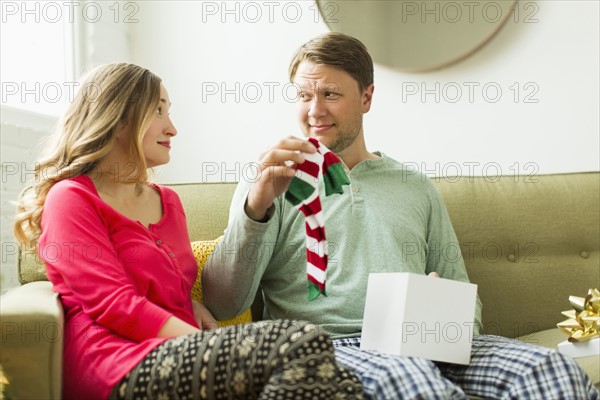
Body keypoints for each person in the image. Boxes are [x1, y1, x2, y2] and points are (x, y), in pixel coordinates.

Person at [202, 33, 599, 399]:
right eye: (304, 95)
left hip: (427, 338)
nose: (314, 110)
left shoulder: (414, 187)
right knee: (413, 381)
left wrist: (442, 313)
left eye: (330, 94)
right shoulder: (269, 182)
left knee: (553, 371)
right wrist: (256, 209)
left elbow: (461, 292)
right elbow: (223, 303)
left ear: (367, 98)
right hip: (327, 346)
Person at [13, 63, 363, 400]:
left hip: (181, 356)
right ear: (116, 118)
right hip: (114, 363)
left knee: (343, 380)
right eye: (158, 111)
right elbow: (114, 304)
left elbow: (172, 290)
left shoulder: (168, 202)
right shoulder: (71, 198)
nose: (172, 128)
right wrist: (206, 341)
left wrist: (191, 306)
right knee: (300, 341)